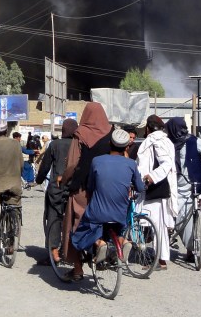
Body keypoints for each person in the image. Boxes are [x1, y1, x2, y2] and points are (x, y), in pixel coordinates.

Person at [72, 128, 144, 262]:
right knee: (120, 227)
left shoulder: (97, 161)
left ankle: (99, 243)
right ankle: (124, 241)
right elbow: (140, 187)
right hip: (119, 213)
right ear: (127, 147)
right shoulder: (131, 164)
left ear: (110, 143)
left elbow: (90, 186)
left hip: (98, 212)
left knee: (81, 232)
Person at [60, 101, 112, 279]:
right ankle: (101, 245)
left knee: (74, 223)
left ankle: (77, 268)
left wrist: (64, 178)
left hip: (83, 188)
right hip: (105, 188)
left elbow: (73, 163)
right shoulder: (111, 134)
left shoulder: (80, 134)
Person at [166, 117, 201, 264]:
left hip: (190, 185)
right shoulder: (167, 143)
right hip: (173, 186)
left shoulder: (193, 141)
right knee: (177, 219)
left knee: (186, 218)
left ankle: (191, 249)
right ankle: (189, 247)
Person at [136, 114, 177, 270]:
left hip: (155, 188)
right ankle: (160, 258)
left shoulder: (155, 141)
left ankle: (160, 260)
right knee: (157, 226)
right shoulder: (166, 141)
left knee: (157, 226)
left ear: (148, 128)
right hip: (159, 188)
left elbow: (166, 163)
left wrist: (152, 176)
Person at [36, 118, 76, 243]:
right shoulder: (79, 145)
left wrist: (39, 179)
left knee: (53, 214)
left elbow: (45, 166)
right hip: (74, 188)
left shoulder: (55, 145)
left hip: (57, 188)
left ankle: (52, 250)